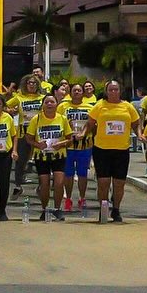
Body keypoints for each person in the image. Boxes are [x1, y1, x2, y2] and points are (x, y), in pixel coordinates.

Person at [80, 80, 140, 223]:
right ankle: (103, 208)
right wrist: (83, 133)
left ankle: (116, 209)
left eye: (116, 90)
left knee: (119, 183)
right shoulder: (99, 105)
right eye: (110, 90)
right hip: (102, 149)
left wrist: (140, 134)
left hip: (122, 149)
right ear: (106, 92)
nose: (113, 92)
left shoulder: (127, 106)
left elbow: (136, 123)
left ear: (120, 91)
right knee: (104, 182)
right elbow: (90, 123)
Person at [25, 95, 73, 221]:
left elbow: (70, 139)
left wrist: (61, 144)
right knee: (44, 183)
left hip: (59, 155)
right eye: (47, 102)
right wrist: (38, 144)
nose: (50, 104)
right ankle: (45, 209)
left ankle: (57, 209)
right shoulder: (36, 119)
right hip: (42, 156)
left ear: (56, 104)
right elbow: (28, 138)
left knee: (59, 182)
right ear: (43, 104)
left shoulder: (62, 119)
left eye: (52, 102)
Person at [7, 74, 45, 197]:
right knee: (21, 160)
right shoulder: (19, 97)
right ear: (25, 84)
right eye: (29, 82)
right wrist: (11, 111)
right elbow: (4, 105)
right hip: (24, 132)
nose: (32, 85)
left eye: (34, 83)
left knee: (41, 160)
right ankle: (18, 186)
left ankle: (41, 186)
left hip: (40, 132)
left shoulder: (43, 97)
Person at [58, 83, 93, 214]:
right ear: (70, 92)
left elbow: (93, 124)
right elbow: (57, 122)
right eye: (74, 90)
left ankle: (82, 198)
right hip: (68, 145)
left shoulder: (89, 108)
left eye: (79, 90)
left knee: (82, 174)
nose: (77, 92)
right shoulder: (62, 106)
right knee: (68, 174)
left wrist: (84, 132)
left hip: (85, 145)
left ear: (83, 93)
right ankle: (68, 199)